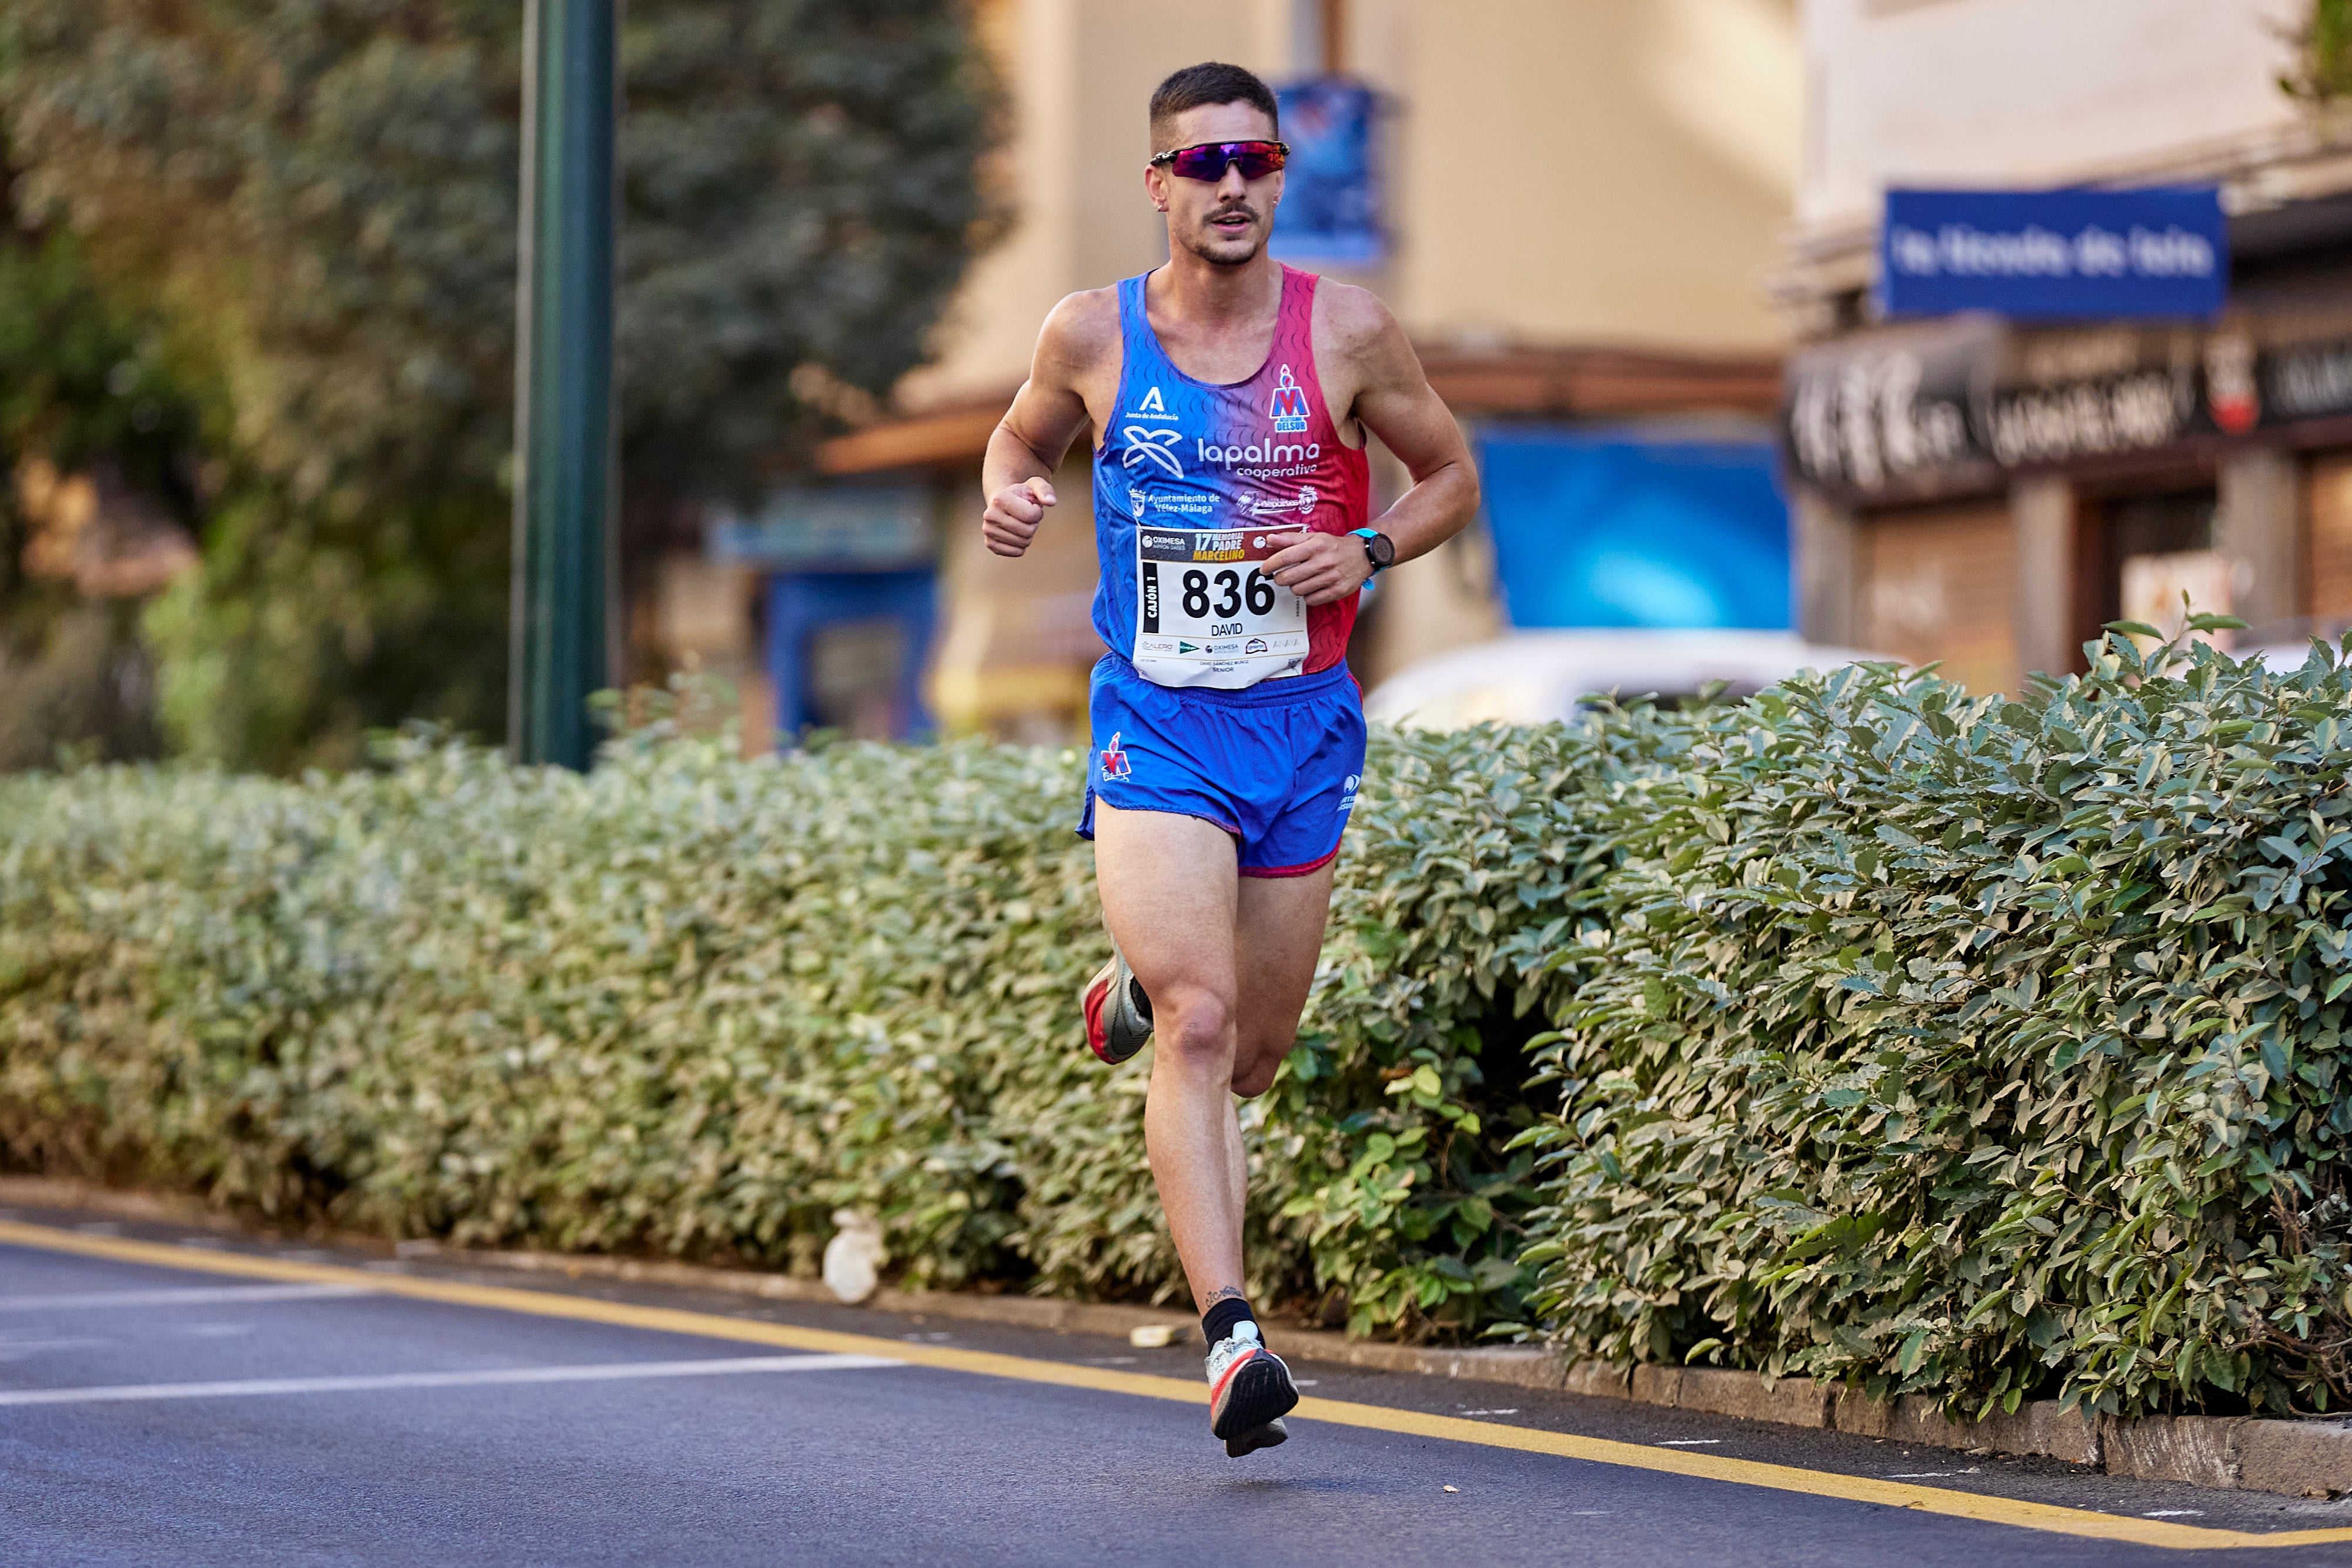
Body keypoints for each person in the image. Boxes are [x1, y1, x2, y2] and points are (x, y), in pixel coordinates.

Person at [978, 61, 1478, 1457]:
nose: (1232, 184)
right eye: (1202, 164)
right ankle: (1231, 1337)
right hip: (1157, 718)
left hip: (1299, 720)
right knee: (1202, 1025)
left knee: (1250, 1052)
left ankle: (1138, 982)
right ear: (1158, 184)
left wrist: (1367, 545)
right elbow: (1018, 437)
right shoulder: (1089, 331)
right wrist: (1011, 490)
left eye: (1254, 160)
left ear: (1277, 176)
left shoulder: (1350, 331)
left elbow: (1448, 476)